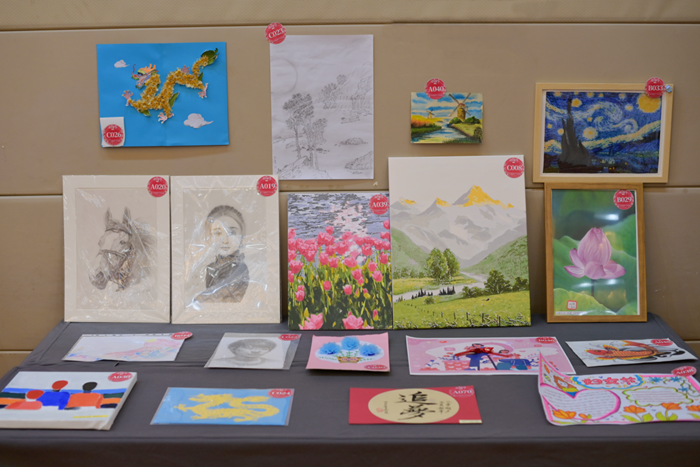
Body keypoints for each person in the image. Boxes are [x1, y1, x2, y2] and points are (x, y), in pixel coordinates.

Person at [196, 205, 250, 303]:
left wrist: (198, 301)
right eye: (217, 233)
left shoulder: (240, 269)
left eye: (232, 233)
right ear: (209, 237)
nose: (225, 240)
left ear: (242, 236)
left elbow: (219, 296)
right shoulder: (211, 267)